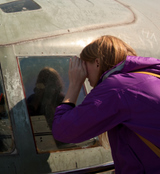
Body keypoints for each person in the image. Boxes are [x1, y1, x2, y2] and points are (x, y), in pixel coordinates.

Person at [52, 35, 160, 173]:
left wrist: (74, 84)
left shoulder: (118, 88)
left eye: (85, 66)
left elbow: (63, 131)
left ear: (97, 62)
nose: (84, 74)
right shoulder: (150, 76)